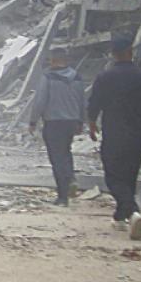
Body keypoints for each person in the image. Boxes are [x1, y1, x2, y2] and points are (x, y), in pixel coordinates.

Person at [85, 32, 141, 240]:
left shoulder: (104, 78)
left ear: (113, 54)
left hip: (114, 133)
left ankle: (132, 212)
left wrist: (92, 125)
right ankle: (120, 217)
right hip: (138, 134)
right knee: (129, 175)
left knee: (113, 176)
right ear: (131, 52)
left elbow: (94, 104)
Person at [25, 49, 87, 205]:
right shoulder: (76, 77)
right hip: (71, 121)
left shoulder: (48, 77)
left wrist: (33, 121)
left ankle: (62, 196)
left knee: (56, 158)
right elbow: (83, 101)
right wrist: (81, 121)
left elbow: (40, 101)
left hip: (53, 122)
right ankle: (71, 178)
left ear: (53, 60)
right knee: (66, 151)